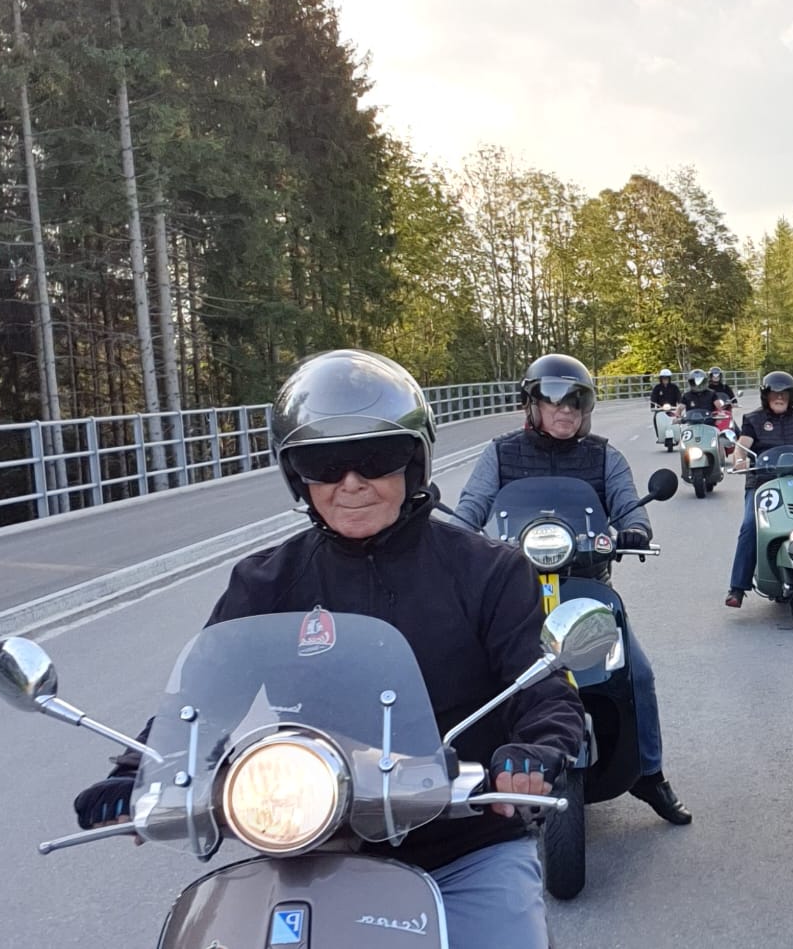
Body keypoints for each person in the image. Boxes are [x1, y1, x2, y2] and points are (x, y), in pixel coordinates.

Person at [71, 349, 583, 947]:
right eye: (324, 464)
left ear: (414, 462)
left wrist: (534, 751)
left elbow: (541, 687)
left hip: (463, 845)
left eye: (377, 458)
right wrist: (139, 771)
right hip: (309, 846)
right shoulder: (265, 581)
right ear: (298, 476)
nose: (351, 483)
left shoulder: (489, 570)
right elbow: (201, 701)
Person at [454, 354, 693, 825]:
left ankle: (649, 773)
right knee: (471, 672)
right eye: (553, 400)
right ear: (533, 405)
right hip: (511, 596)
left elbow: (628, 504)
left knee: (637, 674)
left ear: (586, 408)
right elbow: (470, 509)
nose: (564, 410)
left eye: (575, 401)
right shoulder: (500, 454)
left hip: (586, 592)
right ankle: (469, 777)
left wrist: (634, 529)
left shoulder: (604, 456)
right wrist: (460, 539)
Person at [725, 371, 793, 607]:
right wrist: (739, 461)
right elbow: (741, 448)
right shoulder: (753, 419)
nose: (779, 398)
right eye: (774, 393)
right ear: (766, 395)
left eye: (784, 394)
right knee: (750, 525)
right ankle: (737, 587)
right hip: (764, 484)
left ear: (791, 395)